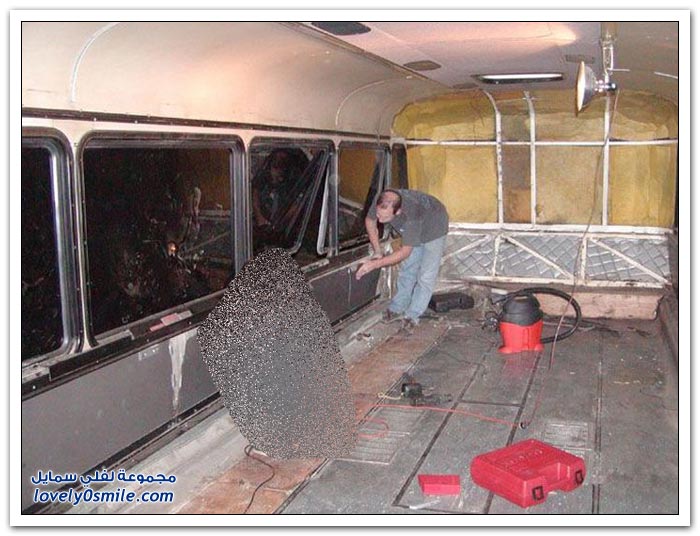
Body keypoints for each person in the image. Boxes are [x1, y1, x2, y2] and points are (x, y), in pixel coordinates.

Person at [355, 188, 449, 334]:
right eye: (379, 214)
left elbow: (405, 252)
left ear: (398, 212)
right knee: (408, 269)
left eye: (385, 217)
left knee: (425, 276)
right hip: (416, 224)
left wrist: (374, 264)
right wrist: (377, 251)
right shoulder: (382, 199)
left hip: (434, 226)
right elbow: (370, 221)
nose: (380, 220)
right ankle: (397, 308)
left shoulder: (412, 214)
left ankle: (412, 315)